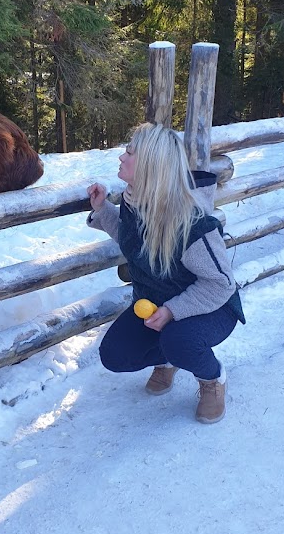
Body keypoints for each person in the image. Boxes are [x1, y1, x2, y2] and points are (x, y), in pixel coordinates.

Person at [87, 122, 245, 424]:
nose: (121, 157)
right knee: (115, 355)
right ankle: (172, 358)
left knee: (179, 339)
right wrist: (103, 208)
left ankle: (212, 379)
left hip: (212, 307)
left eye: (129, 153)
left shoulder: (193, 223)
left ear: (150, 164)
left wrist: (173, 311)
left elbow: (221, 284)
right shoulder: (134, 202)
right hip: (157, 304)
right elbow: (132, 241)